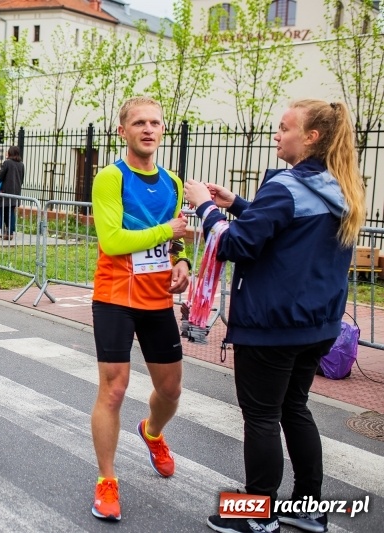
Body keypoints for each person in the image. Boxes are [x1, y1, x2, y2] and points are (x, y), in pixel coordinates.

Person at [184, 100, 365, 533]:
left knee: (262, 418)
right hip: (317, 326)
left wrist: (205, 208)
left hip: (271, 325)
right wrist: (241, 204)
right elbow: (288, 232)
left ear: (311, 137)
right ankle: (308, 507)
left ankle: (257, 515)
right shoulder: (339, 185)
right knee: (294, 408)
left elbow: (237, 246)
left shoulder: (286, 186)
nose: (276, 135)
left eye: (284, 129)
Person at [89, 96, 190, 522]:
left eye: (155, 123)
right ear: (123, 131)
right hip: (115, 295)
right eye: (139, 123)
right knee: (113, 389)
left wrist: (183, 259)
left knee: (170, 392)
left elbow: (177, 237)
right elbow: (112, 241)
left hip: (156, 298)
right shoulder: (110, 178)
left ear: (162, 130)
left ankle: (152, 432)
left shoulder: (173, 181)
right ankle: (107, 480)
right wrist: (168, 231)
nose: (148, 129)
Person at [0, 146, 24, 240]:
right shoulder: (21, 164)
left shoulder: (7, 163)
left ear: (10, 153)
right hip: (15, 193)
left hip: (4, 192)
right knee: (10, 212)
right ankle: (10, 233)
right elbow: (22, 179)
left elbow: (0, 177)